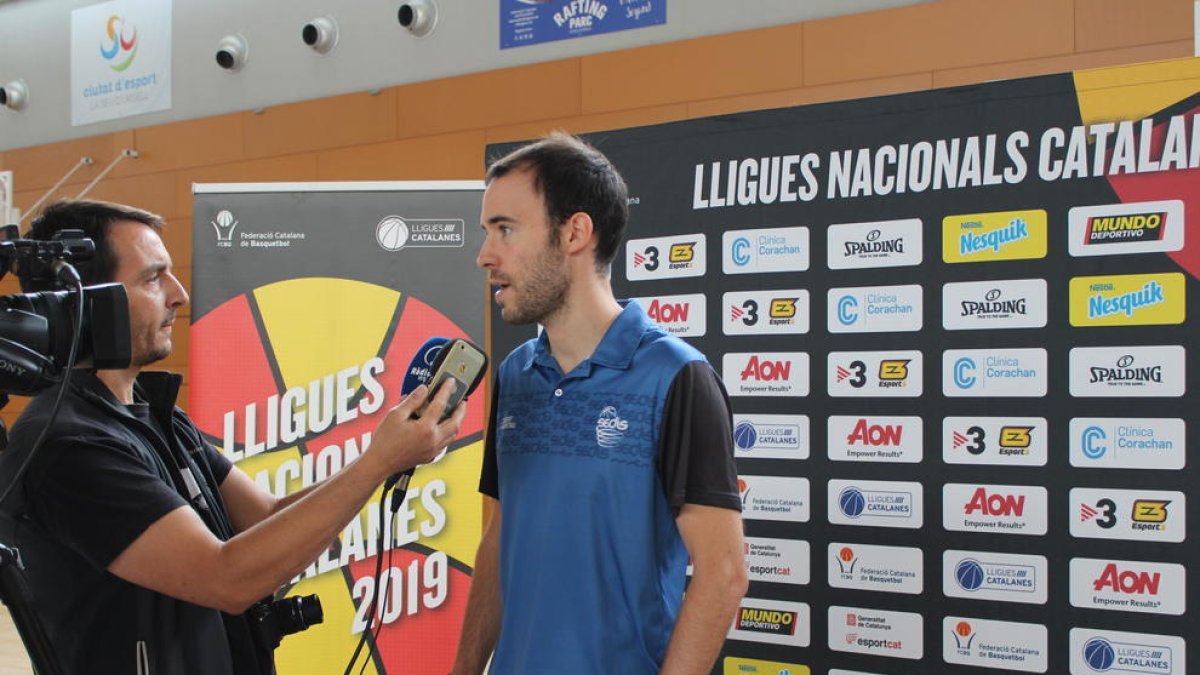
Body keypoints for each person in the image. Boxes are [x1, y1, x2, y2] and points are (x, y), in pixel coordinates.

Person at [0, 199, 465, 675]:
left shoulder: (155, 416)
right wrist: (377, 465)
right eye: (152, 278)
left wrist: (382, 455)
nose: (178, 294)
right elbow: (226, 577)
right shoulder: (69, 446)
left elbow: (267, 517)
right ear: (85, 300)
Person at [452, 134, 747, 675]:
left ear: (574, 233)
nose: (485, 255)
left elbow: (723, 573)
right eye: (487, 230)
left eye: (506, 229)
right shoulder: (514, 375)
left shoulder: (678, 377)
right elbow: (498, 537)